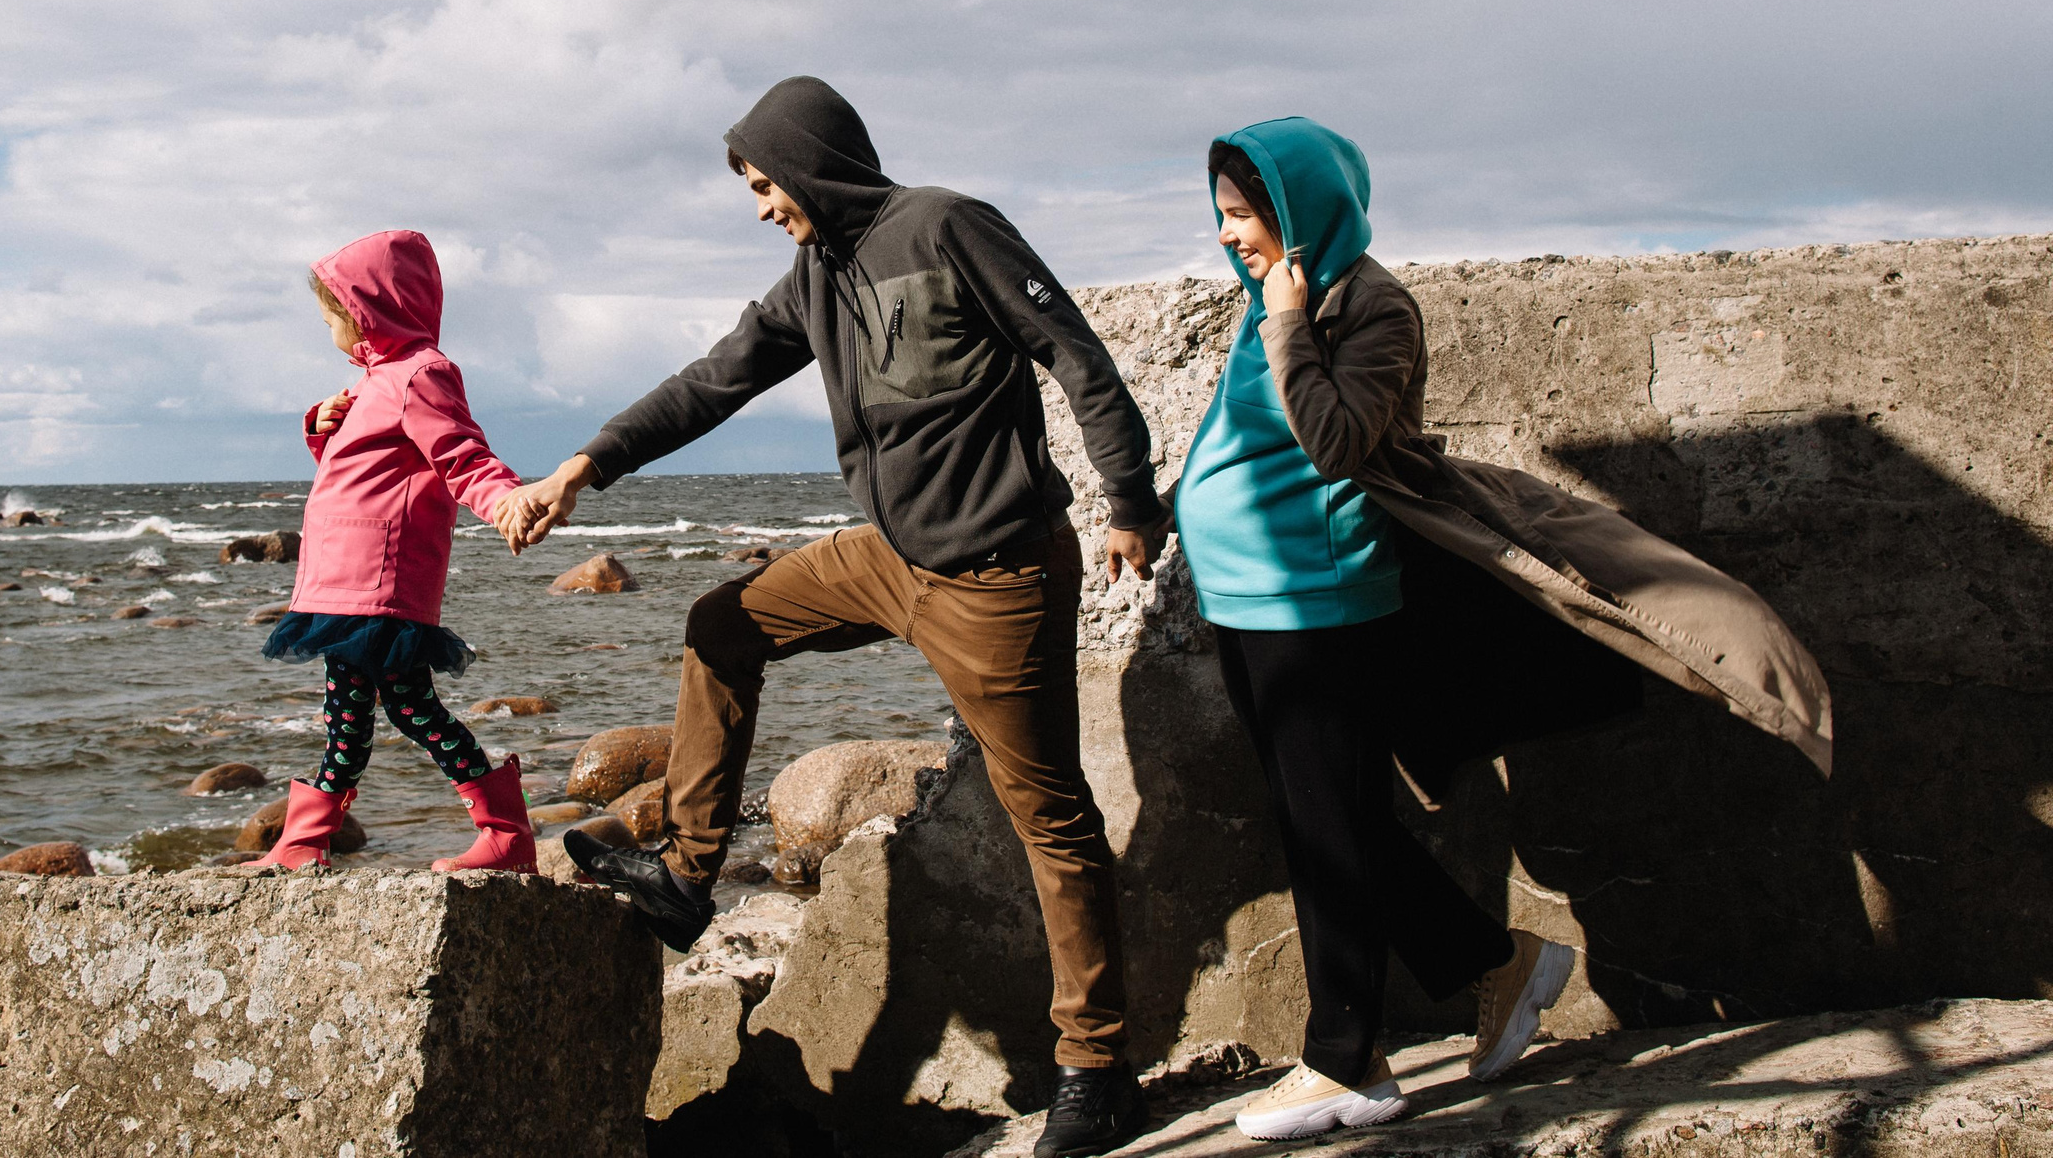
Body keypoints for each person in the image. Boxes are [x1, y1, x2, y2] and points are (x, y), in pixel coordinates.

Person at [503, 76, 1169, 1158]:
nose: (764, 204)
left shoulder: (947, 226)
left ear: (811, 161)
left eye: (768, 181)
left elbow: (1075, 355)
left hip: (996, 573)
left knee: (1047, 813)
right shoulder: (811, 277)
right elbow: (710, 383)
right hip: (886, 559)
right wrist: (586, 464)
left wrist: (1130, 501)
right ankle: (685, 876)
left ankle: (1096, 1067)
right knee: (723, 623)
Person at [1177, 119, 1832, 1142]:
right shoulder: (1279, 293)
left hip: (1316, 595)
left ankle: (1346, 1062)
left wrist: (1289, 326)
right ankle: (1494, 963)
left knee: (1331, 829)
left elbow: (1338, 443)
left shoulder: (1364, 303)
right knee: (1324, 821)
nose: (1227, 236)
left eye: (1244, 214)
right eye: (1219, 215)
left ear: (1304, 207)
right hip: (1246, 592)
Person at [243, 229, 540, 875]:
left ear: (365, 313)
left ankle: (500, 832)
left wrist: (505, 501)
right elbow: (367, 476)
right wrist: (323, 428)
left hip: (377, 586)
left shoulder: (421, 374)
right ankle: (311, 842)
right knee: (378, 713)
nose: (328, 330)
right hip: (345, 585)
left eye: (331, 317)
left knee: (382, 712)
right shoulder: (376, 384)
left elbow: (461, 455)